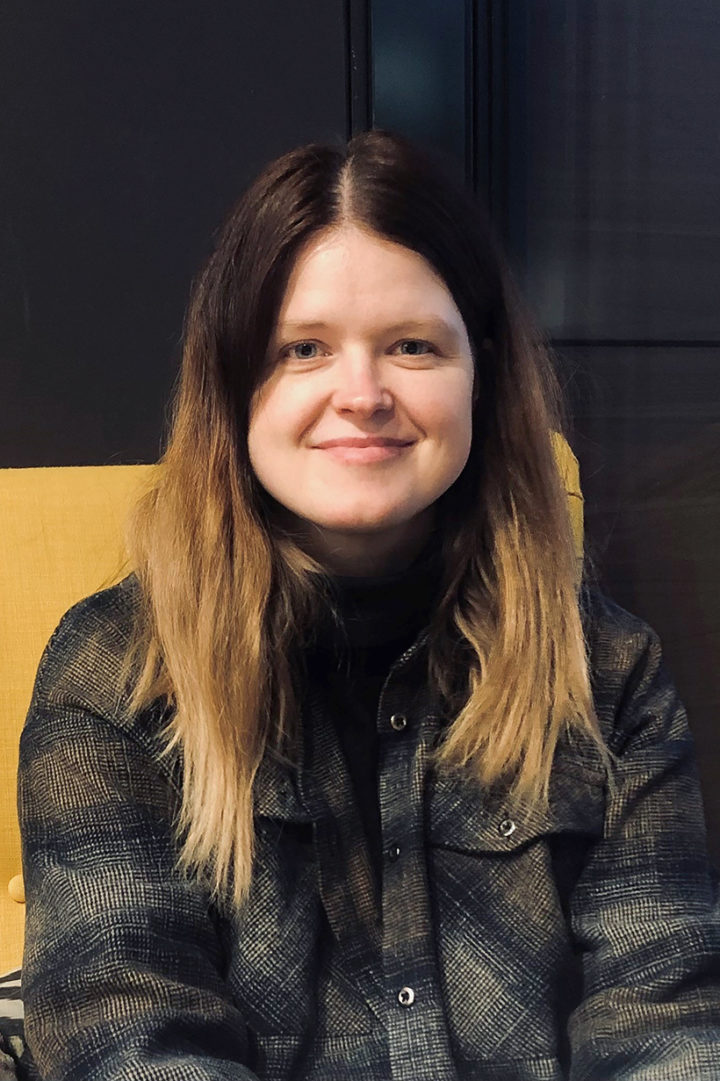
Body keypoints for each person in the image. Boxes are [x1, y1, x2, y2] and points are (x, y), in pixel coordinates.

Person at [17, 131, 720, 1081]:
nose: (363, 394)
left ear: (483, 376)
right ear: (232, 387)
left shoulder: (607, 671)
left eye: (412, 346)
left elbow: (668, 1017)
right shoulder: (113, 675)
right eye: (302, 348)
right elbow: (130, 1044)